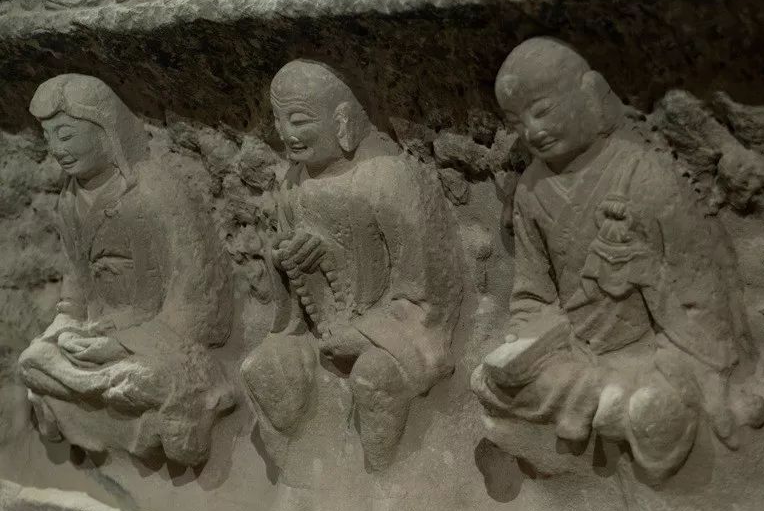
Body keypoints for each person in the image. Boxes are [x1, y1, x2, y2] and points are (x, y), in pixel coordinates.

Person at [472, 38, 764, 481]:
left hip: (655, 353)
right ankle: (603, 403)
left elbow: (702, 296)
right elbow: (533, 294)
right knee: (488, 381)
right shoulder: (531, 191)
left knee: (652, 411)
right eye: (516, 122)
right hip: (577, 352)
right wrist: (523, 340)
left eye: (543, 111)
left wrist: (648, 278)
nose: (532, 131)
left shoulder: (645, 175)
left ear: (590, 94)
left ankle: (628, 410)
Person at [241, 60, 462, 470]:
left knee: (373, 377)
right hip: (322, 330)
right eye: (278, 120)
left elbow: (425, 291)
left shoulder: (388, 179)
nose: (286, 133)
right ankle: (301, 482)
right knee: (264, 370)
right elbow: (290, 287)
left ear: (341, 121)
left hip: (396, 332)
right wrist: (285, 260)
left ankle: (383, 485)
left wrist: (364, 334)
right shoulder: (293, 185)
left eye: (299, 120)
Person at [18, 74, 234, 466]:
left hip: (154, 340)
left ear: (104, 129)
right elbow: (76, 277)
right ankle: (112, 409)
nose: (57, 150)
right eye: (49, 138)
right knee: (34, 360)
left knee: (146, 379)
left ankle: (145, 419)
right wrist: (66, 322)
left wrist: (125, 343)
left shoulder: (155, 191)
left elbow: (195, 286)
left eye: (66, 135)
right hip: (97, 333)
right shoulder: (69, 201)